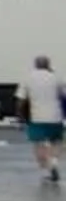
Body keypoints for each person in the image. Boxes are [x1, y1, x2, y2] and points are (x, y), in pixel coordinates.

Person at [20, 54, 63, 185]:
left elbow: (21, 100)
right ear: (48, 65)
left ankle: (48, 167)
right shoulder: (56, 77)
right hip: (55, 117)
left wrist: (21, 116)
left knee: (39, 144)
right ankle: (54, 162)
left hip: (36, 117)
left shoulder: (28, 78)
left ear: (35, 65)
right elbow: (63, 96)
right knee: (56, 142)